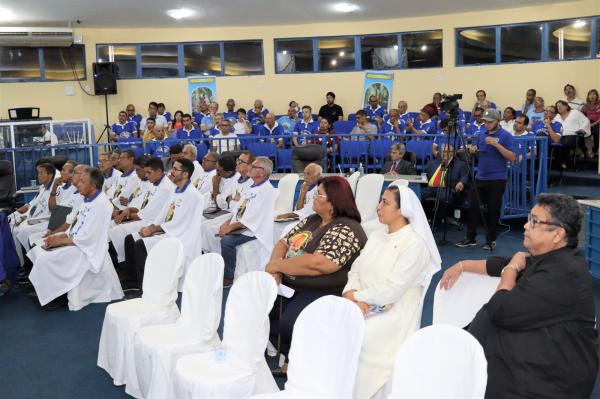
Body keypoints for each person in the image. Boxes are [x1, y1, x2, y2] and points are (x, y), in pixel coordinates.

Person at [441, 193, 598, 398]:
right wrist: (463, 265)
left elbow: (501, 309)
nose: (525, 226)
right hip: (533, 361)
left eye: (534, 221)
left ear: (557, 234)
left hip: (549, 381)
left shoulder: (563, 273)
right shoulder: (553, 257)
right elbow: (502, 263)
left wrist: (512, 269)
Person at [343, 183, 441, 398]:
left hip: (395, 312)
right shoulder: (378, 234)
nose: (378, 207)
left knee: (356, 335)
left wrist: (357, 298)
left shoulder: (415, 244)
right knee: (334, 324)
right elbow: (356, 268)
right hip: (360, 303)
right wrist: (351, 295)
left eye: (385, 202)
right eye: (380, 201)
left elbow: (393, 289)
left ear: (402, 210)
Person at [266, 176, 367, 372]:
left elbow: (320, 264)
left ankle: (300, 365)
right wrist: (276, 266)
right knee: (262, 306)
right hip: (292, 284)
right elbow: (283, 242)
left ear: (334, 202)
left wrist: (278, 266)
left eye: (319, 194)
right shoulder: (313, 220)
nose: (313, 196)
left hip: (325, 289)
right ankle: (288, 358)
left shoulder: (347, 228)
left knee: (289, 322)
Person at [27, 167, 114, 309]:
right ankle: (50, 290)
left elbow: (88, 238)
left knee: (48, 258)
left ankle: (58, 296)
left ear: (92, 186)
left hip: (90, 250)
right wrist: (61, 235)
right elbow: (77, 225)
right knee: (41, 248)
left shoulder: (101, 204)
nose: (78, 184)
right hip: (78, 241)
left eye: (82, 182)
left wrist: (60, 241)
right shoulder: (88, 200)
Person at [123, 158, 204, 293]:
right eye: (172, 168)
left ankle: (145, 289)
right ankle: (132, 281)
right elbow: (163, 213)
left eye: (175, 169)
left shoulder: (193, 195)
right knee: (130, 239)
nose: (171, 172)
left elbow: (179, 223)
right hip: (168, 229)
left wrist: (153, 229)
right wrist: (151, 226)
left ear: (185, 174)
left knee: (140, 245)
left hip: (182, 236)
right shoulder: (175, 190)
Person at [456, 108, 516, 251]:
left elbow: (512, 157)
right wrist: (473, 150)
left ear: (498, 121)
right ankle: (470, 238)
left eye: (490, 122)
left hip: (497, 178)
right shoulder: (481, 133)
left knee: (493, 209)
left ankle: (491, 239)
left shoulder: (506, 136)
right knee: (472, 207)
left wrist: (496, 144)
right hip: (480, 176)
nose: (487, 124)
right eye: (485, 121)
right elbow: (478, 150)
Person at [109, 157, 174, 287]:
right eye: (146, 172)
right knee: (116, 232)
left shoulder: (165, 187)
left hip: (153, 221)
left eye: (149, 172)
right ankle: (125, 272)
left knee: (123, 235)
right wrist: (128, 210)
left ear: (159, 171)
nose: (146, 175)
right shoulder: (154, 183)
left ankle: (129, 274)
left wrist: (126, 215)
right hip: (146, 218)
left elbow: (147, 213)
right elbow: (144, 205)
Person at [213, 156, 277, 287]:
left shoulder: (266, 190)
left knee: (227, 241)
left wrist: (230, 228)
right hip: (244, 224)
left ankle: (228, 276)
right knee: (215, 231)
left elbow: (253, 218)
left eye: (253, 166)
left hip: (255, 229)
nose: (250, 168)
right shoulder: (251, 186)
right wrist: (228, 223)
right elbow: (238, 210)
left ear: (262, 172)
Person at [8, 163, 56, 266]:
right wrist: (25, 211)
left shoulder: (55, 189)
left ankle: (22, 265)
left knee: (17, 230)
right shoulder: (43, 187)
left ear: (50, 174)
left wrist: (28, 217)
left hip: (42, 219)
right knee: (8, 220)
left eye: (41, 173)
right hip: (31, 215)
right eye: (38, 173)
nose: (38, 175)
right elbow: (33, 203)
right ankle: (13, 262)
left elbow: (50, 211)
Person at [421, 144, 468, 224]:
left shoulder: (460, 164)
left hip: (447, 189)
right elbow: (424, 175)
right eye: (443, 151)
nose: (445, 153)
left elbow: (464, 176)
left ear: (453, 153)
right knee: (417, 194)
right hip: (431, 188)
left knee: (443, 197)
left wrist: (461, 183)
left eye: (448, 151)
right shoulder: (433, 163)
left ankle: (435, 223)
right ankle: (421, 221)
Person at [553, 100, 591, 170]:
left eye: (560, 105)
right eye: (557, 106)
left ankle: (563, 162)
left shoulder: (575, 112)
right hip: (560, 136)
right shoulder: (557, 116)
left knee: (565, 143)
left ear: (566, 106)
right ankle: (562, 162)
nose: (558, 107)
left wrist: (582, 129)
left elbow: (586, 121)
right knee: (555, 144)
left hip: (574, 135)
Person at [582, 88, 600, 156]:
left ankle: (595, 150)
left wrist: (593, 124)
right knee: (582, 133)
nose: (592, 96)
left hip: (597, 123)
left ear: (597, 96)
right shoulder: (585, 106)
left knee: (597, 132)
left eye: (594, 94)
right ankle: (585, 151)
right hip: (588, 123)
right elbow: (581, 117)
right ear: (588, 96)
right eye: (590, 94)